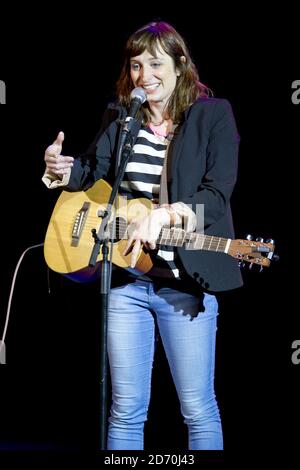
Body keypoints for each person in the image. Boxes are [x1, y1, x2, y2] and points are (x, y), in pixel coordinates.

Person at [42, 21, 242, 450]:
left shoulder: (212, 116)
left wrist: (167, 214)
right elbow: (92, 174)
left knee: (197, 407)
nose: (144, 75)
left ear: (180, 65)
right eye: (135, 65)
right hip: (126, 280)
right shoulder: (120, 117)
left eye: (155, 63)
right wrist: (63, 170)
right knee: (126, 409)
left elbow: (216, 196)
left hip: (184, 284)